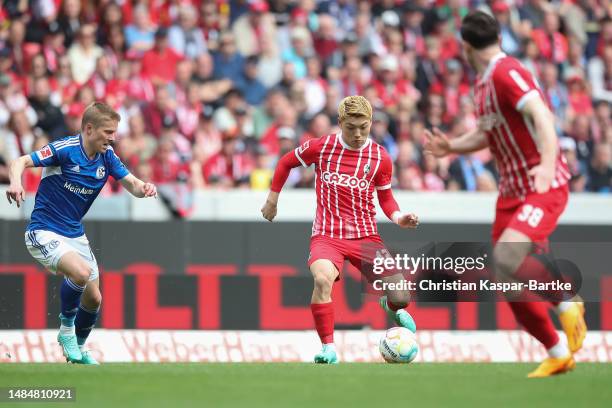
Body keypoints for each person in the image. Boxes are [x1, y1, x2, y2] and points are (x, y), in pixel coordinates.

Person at [424, 11, 586, 378]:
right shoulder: (483, 84)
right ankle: (558, 351)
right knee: (507, 276)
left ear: (466, 47)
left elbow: (542, 115)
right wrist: (451, 147)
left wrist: (547, 164)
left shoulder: (505, 71)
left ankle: (565, 299)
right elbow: (486, 134)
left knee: (507, 255)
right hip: (512, 193)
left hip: (541, 185)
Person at [261, 96, 419, 364]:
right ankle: (329, 348)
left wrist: (399, 217)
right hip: (327, 236)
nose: (357, 134)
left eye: (364, 127)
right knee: (322, 280)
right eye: (351, 127)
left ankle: (389, 305)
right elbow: (286, 162)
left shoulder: (380, 157)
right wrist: (272, 200)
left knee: (401, 296)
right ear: (340, 123)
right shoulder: (323, 147)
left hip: (366, 237)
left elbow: (386, 198)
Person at [5, 102, 158, 364]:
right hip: (43, 231)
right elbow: (20, 161)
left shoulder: (107, 156)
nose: (112, 137)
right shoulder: (64, 150)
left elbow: (131, 183)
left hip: (74, 235)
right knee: (80, 273)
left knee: (94, 297)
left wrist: (144, 187)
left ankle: (79, 347)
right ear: (89, 129)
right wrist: (16, 181)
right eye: (108, 131)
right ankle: (66, 332)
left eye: (114, 132)